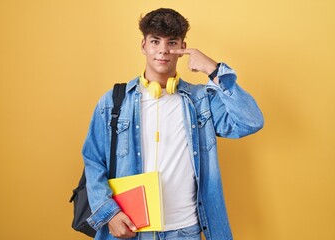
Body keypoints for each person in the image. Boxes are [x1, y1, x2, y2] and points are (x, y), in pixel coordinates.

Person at [82, 8, 264, 240]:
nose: (163, 50)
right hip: (133, 230)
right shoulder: (113, 102)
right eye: (155, 41)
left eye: (172, 42)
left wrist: (214, 70)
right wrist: (109, 214)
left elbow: (251, 121)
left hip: (185, 230)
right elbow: (93, 159)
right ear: (143, 45)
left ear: (183, 48)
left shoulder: (201, 101)